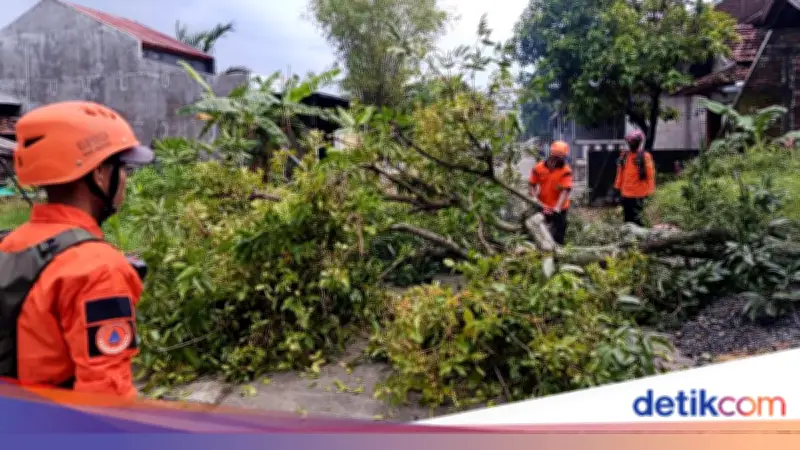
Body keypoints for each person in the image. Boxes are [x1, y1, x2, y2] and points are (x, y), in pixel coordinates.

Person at [0, 101, 153, 399]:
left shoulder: (13, 244)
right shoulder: (99, 269)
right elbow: (106, 396)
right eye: (122, 168)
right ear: (99, 175)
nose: (124, 180)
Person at [529, 140, 573, 245]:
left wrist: (557, 207)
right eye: (558, 158)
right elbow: (532, 184)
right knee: (540, 231)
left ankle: (559, 251)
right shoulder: (538, 168)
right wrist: (535, 199)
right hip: (542, 204)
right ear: (552, 155)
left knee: (559, 233)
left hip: (560, 208)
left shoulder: (566, 171)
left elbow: (565, 191)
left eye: (562, 158)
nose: (560, 160)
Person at [614, 130, 655, 226]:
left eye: (633, 141)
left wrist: (651, 192)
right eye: (629, 141)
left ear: (638, 142)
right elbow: (620, 174)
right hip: (626, 195)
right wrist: (617, 189)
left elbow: (650, 176)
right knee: (627, 221)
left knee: (638, 221)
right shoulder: (624, 156)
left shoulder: (645, 156)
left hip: (639, 195)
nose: (631, 143)